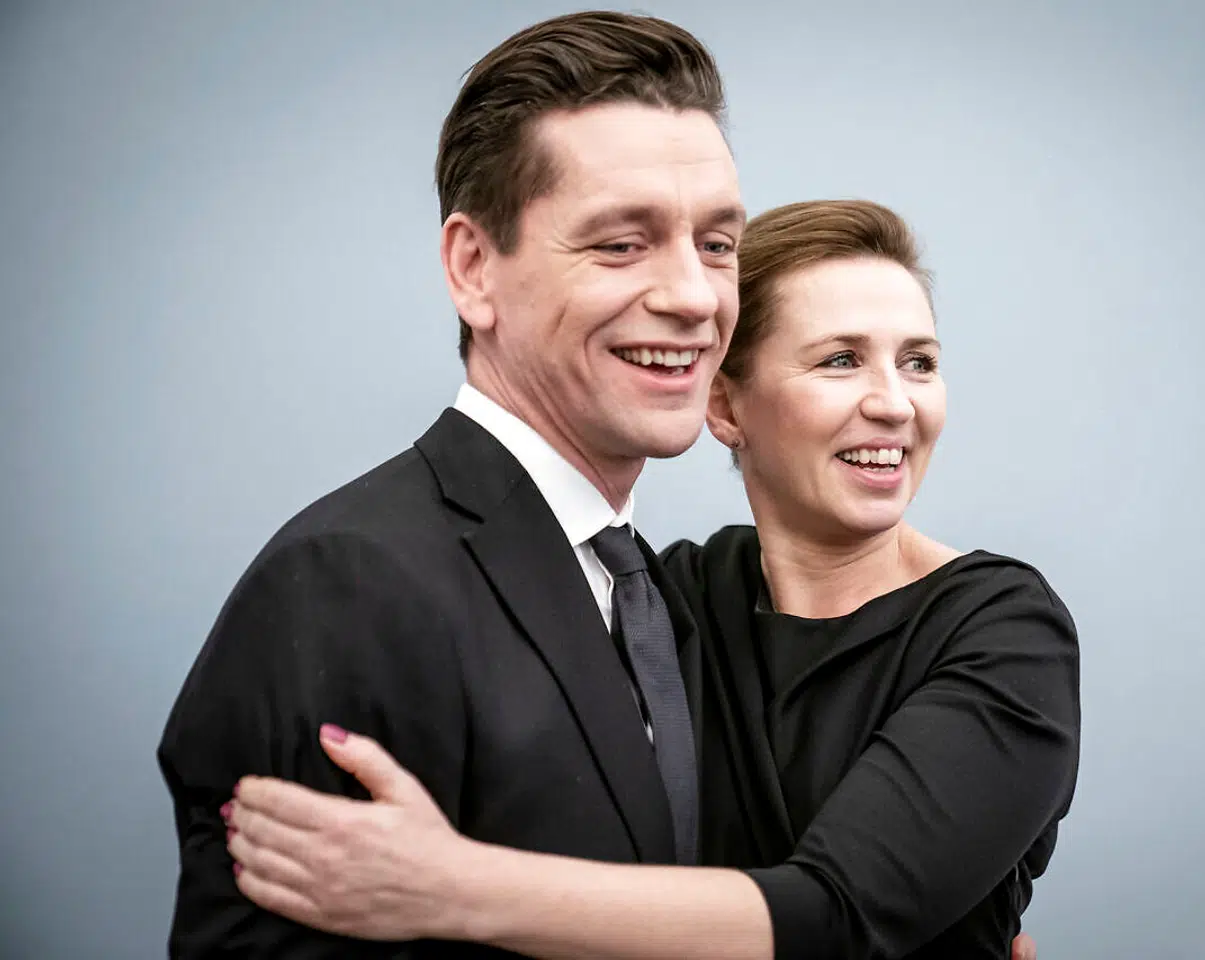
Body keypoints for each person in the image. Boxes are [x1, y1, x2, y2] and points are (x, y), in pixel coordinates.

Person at [223, 200, 1081, 958]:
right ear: (724, 406)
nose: (896, 403)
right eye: (841, 361)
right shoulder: (662, 599)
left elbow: (837, 916)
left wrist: (445, 887)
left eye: (919, 362)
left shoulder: (1005, 632)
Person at [158, 11, 746, 956]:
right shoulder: (348, 583)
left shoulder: (650, 590)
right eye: (620, 244)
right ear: (473, 269)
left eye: (716, 244)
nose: (694, 296)